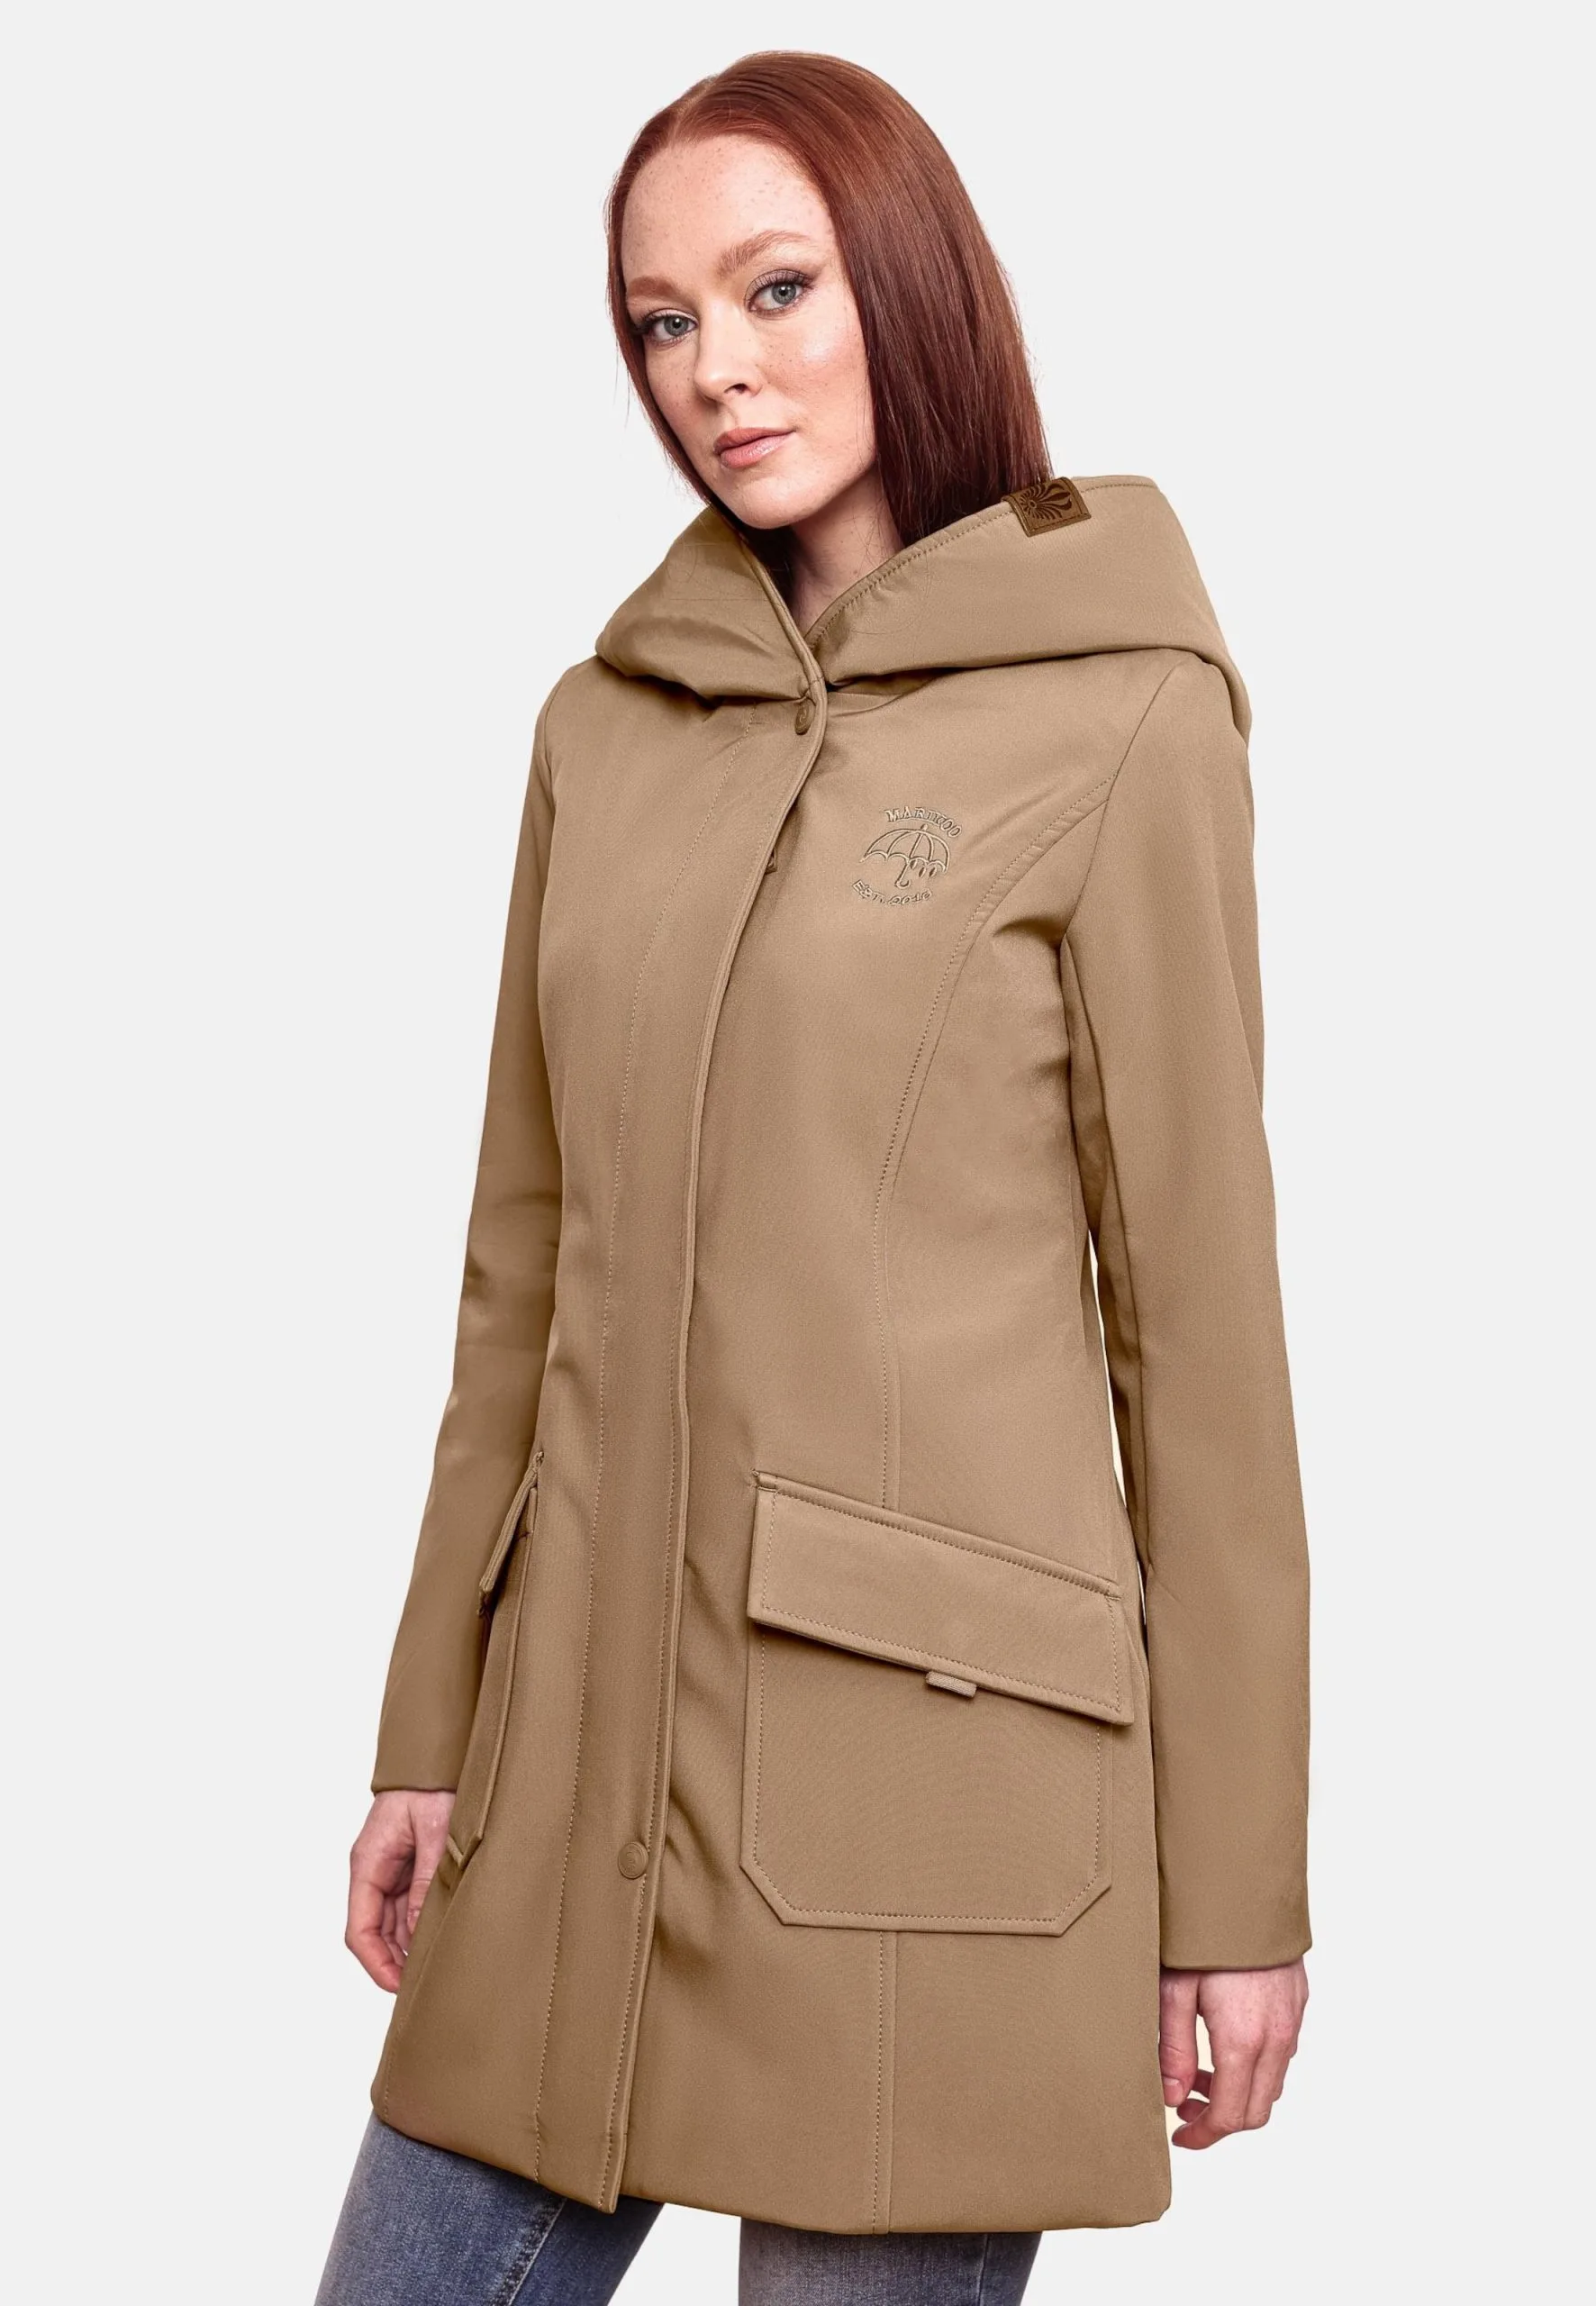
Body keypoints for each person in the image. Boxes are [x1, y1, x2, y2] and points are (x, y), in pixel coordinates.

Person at [315, 49, 1310, 2306]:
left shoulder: (1124, 712)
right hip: (578, 1763)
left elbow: (1200, 1330)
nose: (716, 369)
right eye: (662, 320)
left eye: (776, 289)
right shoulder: (602, 727)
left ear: (911, 283)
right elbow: (517, 1267)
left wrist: (1239, 1887)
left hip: (935, 1799)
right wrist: (428, 1723)